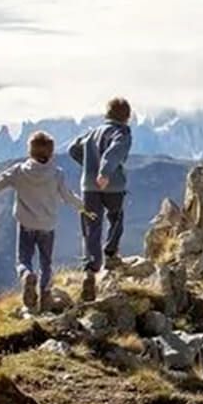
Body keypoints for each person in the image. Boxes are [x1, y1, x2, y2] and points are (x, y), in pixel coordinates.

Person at [0, 131, 93, 311]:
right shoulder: (57, 174)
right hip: (47, 227)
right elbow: (67, 196)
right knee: (46, 263)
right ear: (51, 153)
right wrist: (84, 208)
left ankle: (27, 275)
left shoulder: (19, 171)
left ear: (30, 151)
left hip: (26, 224)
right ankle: (45, 297)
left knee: (23, 259)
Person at [70, 97, 133, 302]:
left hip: (88, 186)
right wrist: (104, 171)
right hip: (112, 184)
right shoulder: (122, 132)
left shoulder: (92, 132)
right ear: (127, 117)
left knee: (91, 224)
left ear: (107, 114)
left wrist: (89, 165)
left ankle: (91, 268)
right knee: (116, 216)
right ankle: (111, 253)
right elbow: (116, 149)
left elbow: (73, 149)